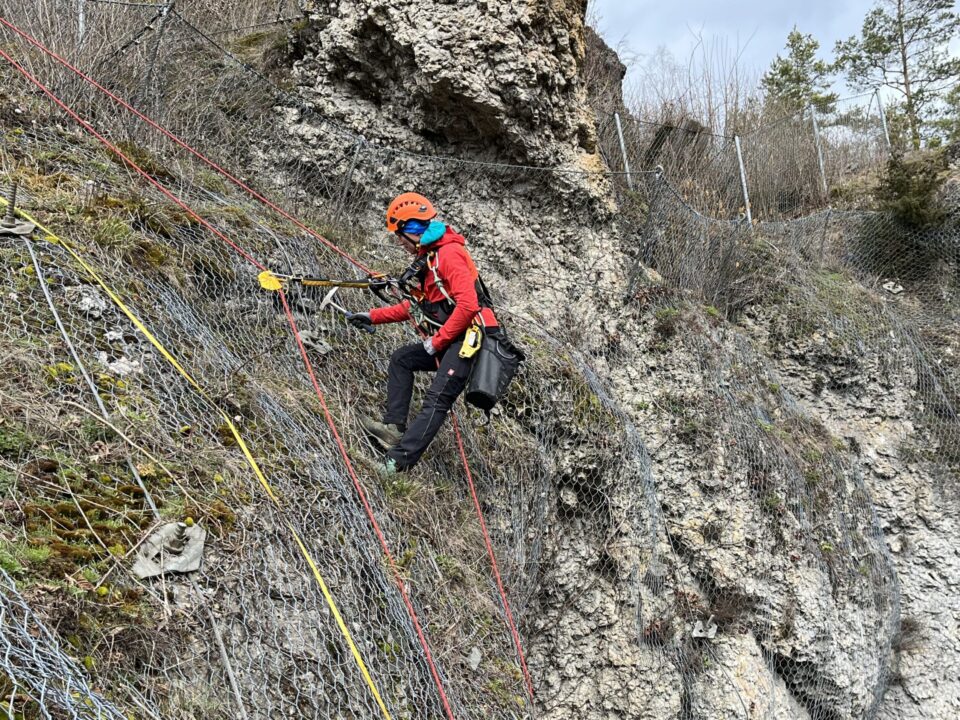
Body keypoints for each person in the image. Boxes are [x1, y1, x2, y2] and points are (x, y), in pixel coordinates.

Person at [347, 192, 498, 474]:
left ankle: (396, 463)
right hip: (455, 335)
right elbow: (418, 306)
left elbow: (469, 305)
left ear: (412, 230)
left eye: (399, 235)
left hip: (471, 338)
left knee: (437, 399)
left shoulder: (448, 254)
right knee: (403, 359)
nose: (399, 242)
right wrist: (372, 316)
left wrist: (435, 343)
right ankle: (393, 428)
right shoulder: (429, 259)